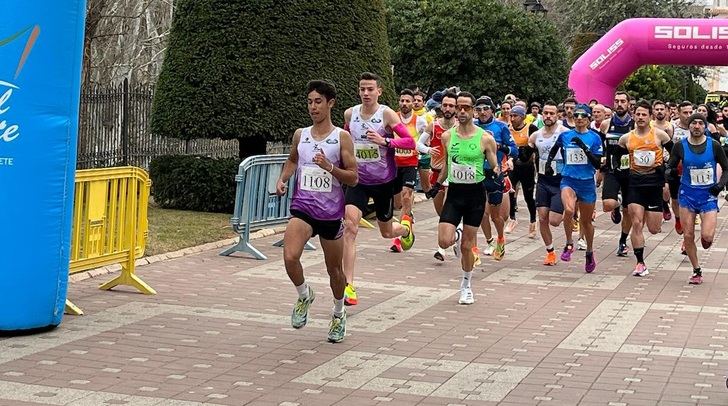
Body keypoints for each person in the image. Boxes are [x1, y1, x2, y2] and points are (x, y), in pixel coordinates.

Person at [276, 80, 359, 343]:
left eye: (318, 102)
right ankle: (304, 295)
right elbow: (292, 159)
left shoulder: (341, 138)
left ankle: (338, 313)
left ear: (330, 103)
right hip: (304, 208)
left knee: (334, 271)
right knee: (290, 257)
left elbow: (354, 178)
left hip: (331, 215)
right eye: (310, 102)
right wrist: (283, 179)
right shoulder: (301, 135)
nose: (313, 107)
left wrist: (330, 167)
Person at [342, 72, 417, 306]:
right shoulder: (350, 114)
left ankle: (405, 230)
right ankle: (349, 287)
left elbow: (410, 142)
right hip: (358, 181)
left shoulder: (386, 114)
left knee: (386, 232)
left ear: (379, 91)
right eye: (362, 89)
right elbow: (345, 139)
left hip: (384, 182)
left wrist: (385, 141)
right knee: (350, 228)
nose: (366, 93)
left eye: (370, 89)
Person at [427, 91, 499, 304]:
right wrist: (437, 185)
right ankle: (456, 236)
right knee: (444, 240)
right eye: (460, 107)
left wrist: (498, 172)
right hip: (455, 193)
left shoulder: (485, 138)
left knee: (468, 247)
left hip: (475, 195)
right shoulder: (447, 136)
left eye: (467, 107)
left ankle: (466, 285)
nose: (462, 111)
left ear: (473, 110)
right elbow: (447, 166)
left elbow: (494, 164)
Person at [666, 113, 728, 284]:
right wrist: (670, 173)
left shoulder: (714, 145)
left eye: (701, 123)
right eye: (694, 123)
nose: (697, 126)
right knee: (688, 235)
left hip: (708, 196)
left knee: (707, 237)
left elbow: (726, 168)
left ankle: (705, 240)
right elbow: (670, 166)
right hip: (687, 194)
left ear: (705, 126)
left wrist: (719, 185)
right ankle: (696, 270)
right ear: (689, 126)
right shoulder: (680, 146)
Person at [544, 104, 603, 273]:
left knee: (586, 222)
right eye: (576, 115)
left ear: (588, 119)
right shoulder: (565, 136)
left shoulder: (595, 138)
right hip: (568, 179)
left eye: (582, 115)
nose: (578, 118)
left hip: (586, 183)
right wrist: (549, 165)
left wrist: (584, 148)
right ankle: (569, 243)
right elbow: (554, 150)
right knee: (569, 210)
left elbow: (597, 163)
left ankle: (590, 252)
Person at [618, 100, 671, 277]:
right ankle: (640, 262)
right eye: (638, 114)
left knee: (654, 229)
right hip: (635, 183)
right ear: (634, 115)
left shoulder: (661, 136)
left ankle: (662, 207)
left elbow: (674, 156)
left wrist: (666, 170)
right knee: (636, 223)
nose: (640, 117)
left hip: (654, 183)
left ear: (650, 116)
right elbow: (618, 159)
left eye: (644, 114)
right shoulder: (625, 139)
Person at [474, 95, 517, 260]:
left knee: (495, 215)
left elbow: (515, 150)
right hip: (476, 173)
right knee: (479, 212)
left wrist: (500, 147)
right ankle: (489, 241)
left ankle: (500, 238)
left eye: (486, 109)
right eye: (479, 109)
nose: (482, 112)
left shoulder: (501, 127)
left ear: (492, 110)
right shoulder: (472, 126)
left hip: (494, 174)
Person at [418, 93, 457, 261]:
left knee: (449, 209)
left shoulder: (460, 127)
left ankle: (441, 248)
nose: (448, 108)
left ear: (456, 108)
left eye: (451, 106)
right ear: (441, 106)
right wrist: (428, 150)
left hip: (454, 174)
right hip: (436, 173)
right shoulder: (433, 126)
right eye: (445, 105)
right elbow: (418, 144)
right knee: (441, 213)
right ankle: (454, 235)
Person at [529, 100, 567, 265]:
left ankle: (571, 211)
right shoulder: (536, 135)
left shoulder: (565, 133)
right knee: (543, 217)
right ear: (542, 115)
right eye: (546, 113)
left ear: (557, 115)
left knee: (555, 221)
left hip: (560, 180)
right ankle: (550, 252)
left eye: (552, 113)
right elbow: (528, 152)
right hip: (543, 180)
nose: (548, 116)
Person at [391, 89, 428, 252]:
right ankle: (408, 216)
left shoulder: (419, 121)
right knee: (398, 203)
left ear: (413, 103)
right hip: (394, 163)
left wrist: (425, 149)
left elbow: (428, 136)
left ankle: (400, 238)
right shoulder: (392, 118)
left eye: (407, 101)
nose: (404, 103)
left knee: (406, 196)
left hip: (411, 163)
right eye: (402, 100)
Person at [599, 91, 634, 257]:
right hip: (612, 170)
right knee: (607, 204)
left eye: (622, 101)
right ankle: (616, 205)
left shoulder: (635, 124)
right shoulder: (606, 124)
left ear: (628, 104)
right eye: (617, 101)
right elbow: (602, 148)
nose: (619, 104)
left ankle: (623, 240)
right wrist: (600, 168)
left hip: (631, 172)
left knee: (629, 210)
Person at [505, 105, 539, 237]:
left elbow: (537, 146)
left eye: (515, 116)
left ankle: (533, 221)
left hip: (527, 166)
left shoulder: (531, 128)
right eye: (511, 116)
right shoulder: (508, 129)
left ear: (523, 117)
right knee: (510, 191)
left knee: (528, 196)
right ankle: (512, 219)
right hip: (513, 165)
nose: (512, 119)